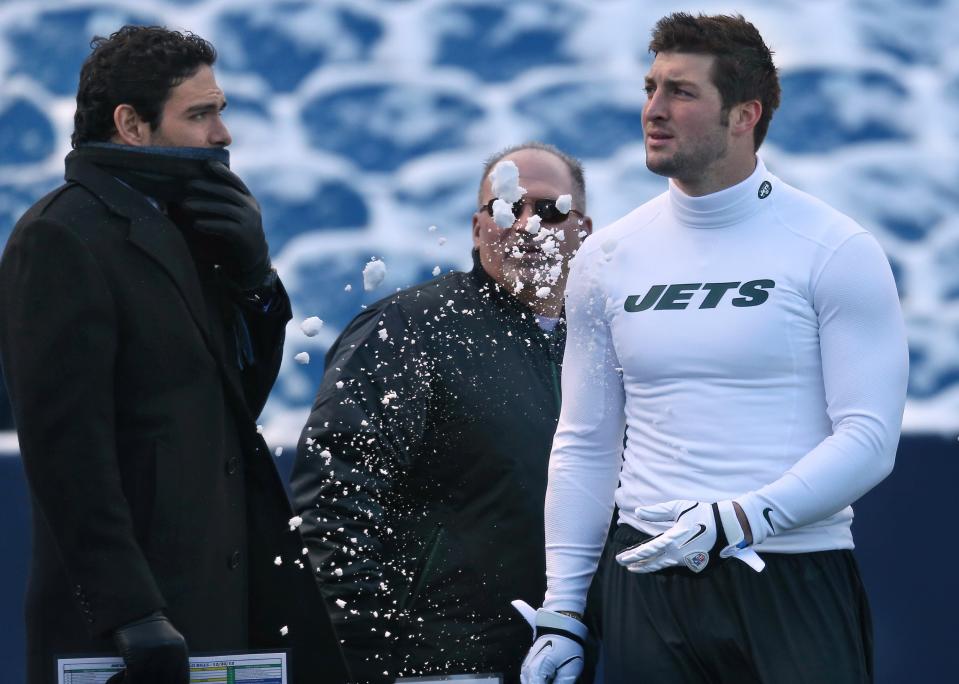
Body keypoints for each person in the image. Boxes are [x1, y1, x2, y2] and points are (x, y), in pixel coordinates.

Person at [519, 13, 909, 684]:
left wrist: (743, 518)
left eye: (681, 92)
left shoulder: (835, 248)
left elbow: (869, 438)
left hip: (790, 573)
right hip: (645, 581)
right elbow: (585, 440)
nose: (653, 110)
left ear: (743, 114)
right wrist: (563, 611)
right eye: (650, 87)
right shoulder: (607, 257)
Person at [0, 26, 349, 684]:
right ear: (131, 125)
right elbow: (65, 451)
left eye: (221, 111)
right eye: (200, 114)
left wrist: (254, 284)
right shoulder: (59, 238)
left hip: (221, 606)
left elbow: (233, 405)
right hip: (132, 630)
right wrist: (132, 611)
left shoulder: (187, 226)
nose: (222, 135)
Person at [290, 142, 593, 682]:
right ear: (478, 229)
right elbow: (334, 503)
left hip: (579, 659)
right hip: (441, 663)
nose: (526, 226)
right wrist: (381, 653)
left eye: (548, 210)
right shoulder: (409, 328)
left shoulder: (607, 343)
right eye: (506, 209)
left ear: (582, 229)